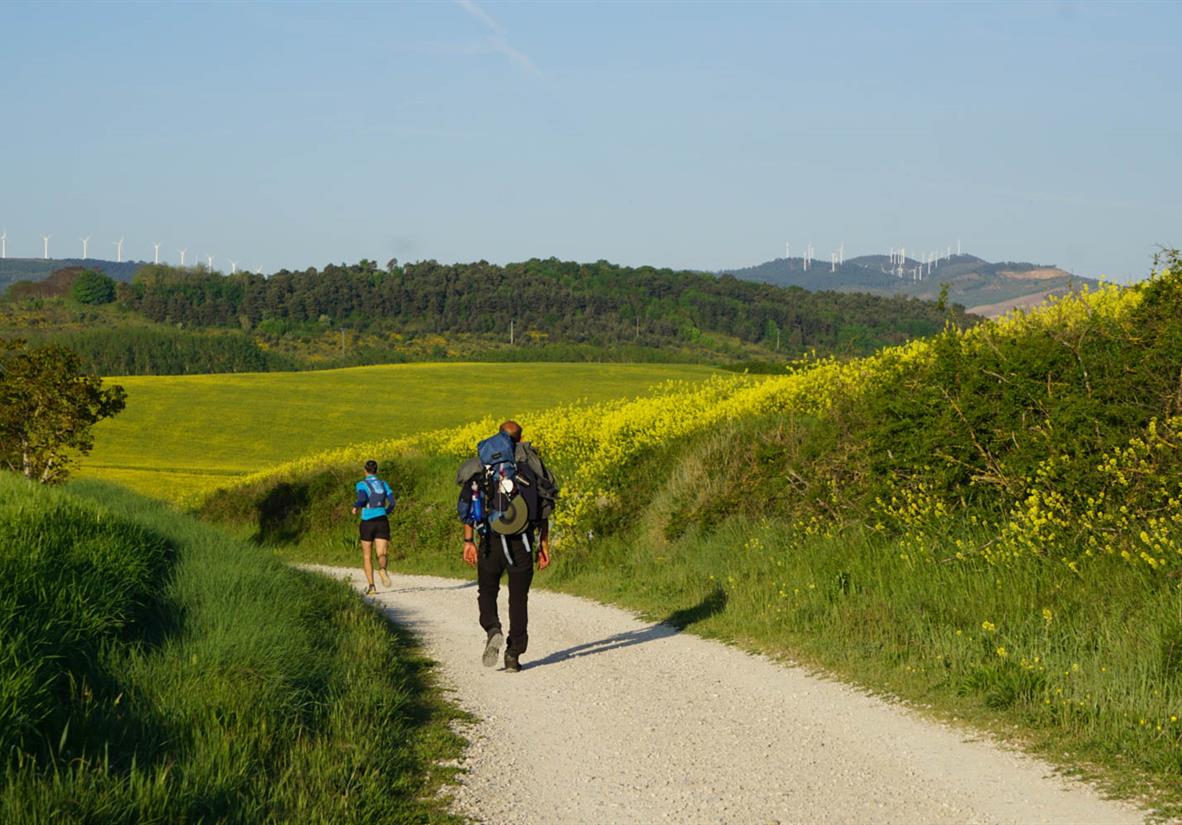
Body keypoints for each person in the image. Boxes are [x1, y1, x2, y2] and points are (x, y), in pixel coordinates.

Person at [458, 420, 555, 672]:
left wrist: (469, 541)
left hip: (490, 538)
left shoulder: (483, 463)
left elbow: (469, 503)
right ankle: (513, 654)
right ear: (520, 437)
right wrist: (543, 545)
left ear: (498, 436)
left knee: (487, 591)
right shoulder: (530, 464)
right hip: (521, 540)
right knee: (518, 598)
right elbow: (545, 505)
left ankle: (492, 628)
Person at [352, 459, 394, 596]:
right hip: (382, 520)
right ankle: (382, 569)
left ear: (365, 470)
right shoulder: (383, 484)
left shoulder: (361, 484)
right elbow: (392, 503)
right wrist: (385, 512)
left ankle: (372, 587)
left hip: (367, 522)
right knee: (382, 553)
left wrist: (356, 506)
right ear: (376, 470)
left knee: (367, 555)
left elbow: (363, 499)